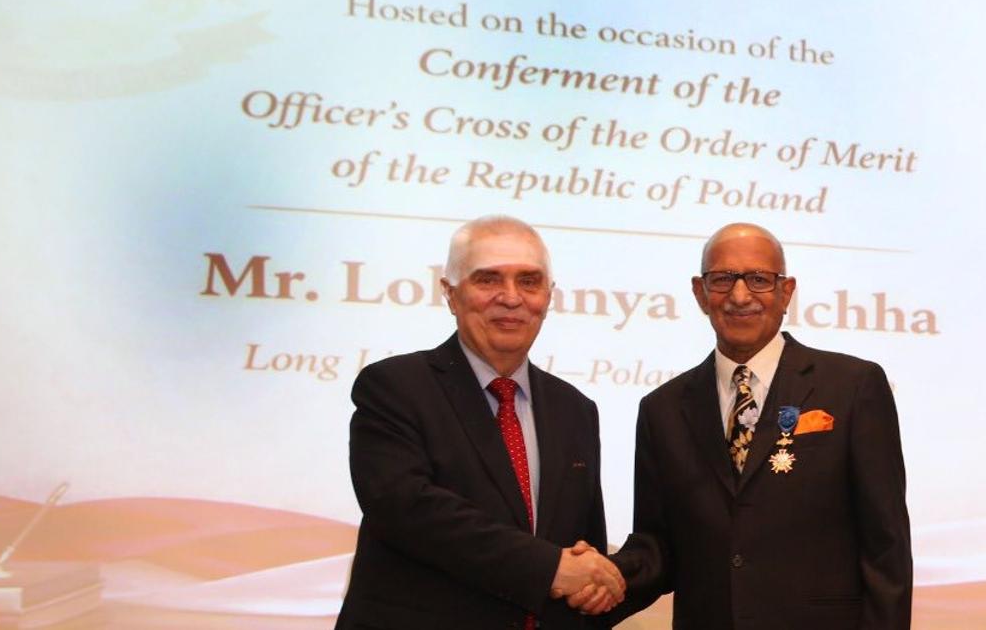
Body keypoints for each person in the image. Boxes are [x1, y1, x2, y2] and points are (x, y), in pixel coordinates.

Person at [337, 215, 637, 629]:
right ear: (451, 294)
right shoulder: (394, 387)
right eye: (488, 280)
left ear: (548, 297)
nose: (511, 298)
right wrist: (550, 568)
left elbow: (583, 547)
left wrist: (596, 582)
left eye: (529, 281)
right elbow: (406, 508)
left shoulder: (575, 409)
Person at [608, 222, 912, 629]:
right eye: (722, 280)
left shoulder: (854, 387)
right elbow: (658, 546)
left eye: (758, 280)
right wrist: (598, 578)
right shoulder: (662, 409)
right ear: (700, 294)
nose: (739, 295)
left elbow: (886, 548)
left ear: (786, 292)